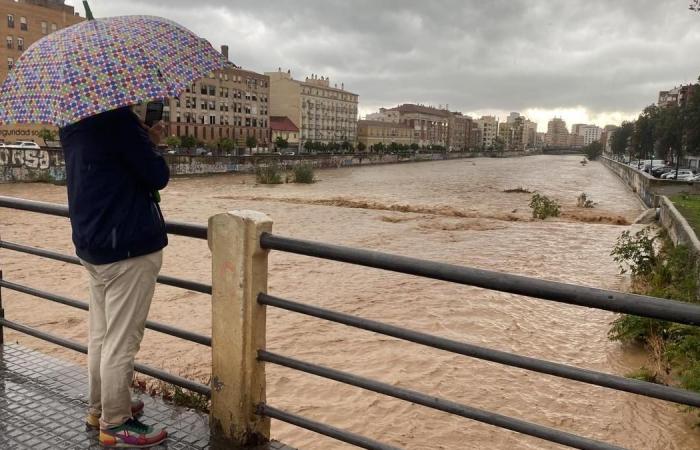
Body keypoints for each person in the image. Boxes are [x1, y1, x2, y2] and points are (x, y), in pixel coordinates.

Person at [59, 106, 169, 448]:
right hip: (128, 247)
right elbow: (157, 175)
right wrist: (152, 141)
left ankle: (99, 407)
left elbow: (105, 169)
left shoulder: (70, 120)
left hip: (93, 244)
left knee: (101, 336)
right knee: (121, 342)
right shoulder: (119, 121)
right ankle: (116, 421)